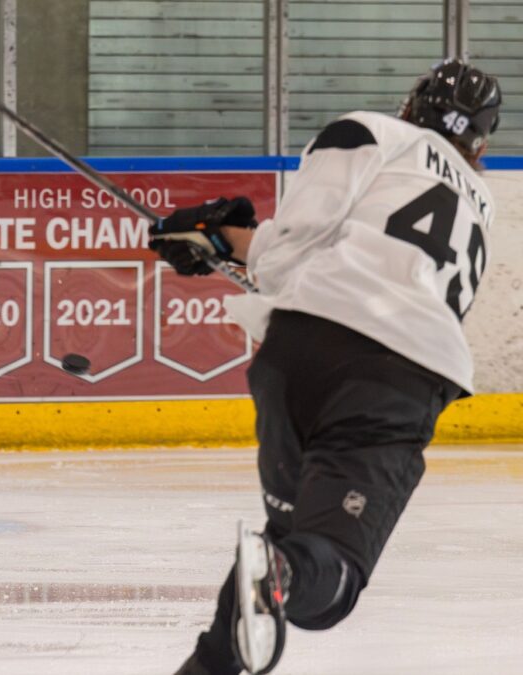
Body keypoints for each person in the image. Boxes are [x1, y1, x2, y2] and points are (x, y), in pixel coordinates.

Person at [149, 59, 501, 674]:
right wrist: (236, 243)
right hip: (396, 376)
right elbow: (366, 263)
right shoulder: (481, 201)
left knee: (286, 548)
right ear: (482, 145)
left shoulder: (366, 130)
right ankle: (279, 574)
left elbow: (296, 250)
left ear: (409, 105)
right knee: (324, 580)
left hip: (296, 359)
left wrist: (225, 241)